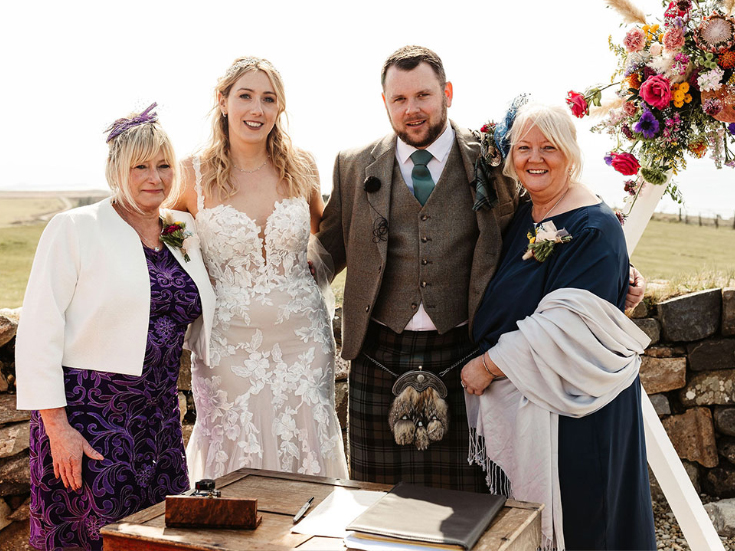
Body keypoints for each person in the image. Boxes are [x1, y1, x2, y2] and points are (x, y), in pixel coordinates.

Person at [316, 46, 646, 490]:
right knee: (376, 503)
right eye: (399, 99)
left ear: (447, 93)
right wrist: (270, 283)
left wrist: (611, 271)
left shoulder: (493, 162)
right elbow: (327, 249)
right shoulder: (353, 165)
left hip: (462, 353)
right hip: (378, 354)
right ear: (385, 103)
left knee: (465, 508)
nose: (412, 110)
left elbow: (550, 207)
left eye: (424, 95)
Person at [16, 103, 215, 551]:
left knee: (161, 540)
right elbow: (38, 330)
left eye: (164, 166)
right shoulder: (75, 227)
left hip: (160, 422)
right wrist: (57, 428)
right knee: (96, 541)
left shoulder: (180, 228)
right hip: (91, 421)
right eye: (140, 166)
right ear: (116, 171)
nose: (155, 177)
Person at [461, 103, 656, 550]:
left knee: (586, 521)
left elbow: (567, 329)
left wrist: (490, 365)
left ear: (570, 153)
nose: (535, 158)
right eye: (524, 147)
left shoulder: (594, 226)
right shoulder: (526, 213)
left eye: (548, 147)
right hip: (535, 398)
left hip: (577, 412)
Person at [174, 57, 348, 481]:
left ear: (279, 109)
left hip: (303, 340)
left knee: (306, 442)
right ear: (223, 101)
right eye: (245, 96)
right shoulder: (189, 174)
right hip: (228, 346)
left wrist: (306, 261)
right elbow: (158, 238)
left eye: (268, 99)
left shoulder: (302, 166)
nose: (257, 109)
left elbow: (325, 236)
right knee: (236, 449)